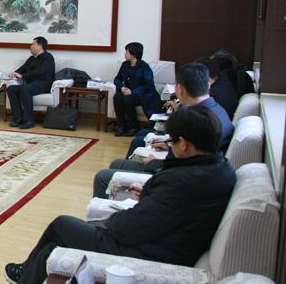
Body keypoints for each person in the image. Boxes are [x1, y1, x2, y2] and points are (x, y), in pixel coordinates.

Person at [0, 104, 235, 284]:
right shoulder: (220, 168)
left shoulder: (181, 183)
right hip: (162, 243)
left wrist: (118, 217)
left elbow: (126, 229)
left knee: (61, 226)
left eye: (172, 142)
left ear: (185, 144)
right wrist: (150, 197)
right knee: (52, 246)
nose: (170, 147)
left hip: (145, 254)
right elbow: (166, 211)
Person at [92, 61, 235, 197]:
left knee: (103, 176)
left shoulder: (196, 118)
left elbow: (183, 162)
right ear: (208, 84)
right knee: (124, 156)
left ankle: (121, 192)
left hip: (172, 177)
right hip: (187, 172)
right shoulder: (216, 110)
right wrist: (168, 145)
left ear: (179, 89)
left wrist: (154, 163)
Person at [112, 42, 161, 136]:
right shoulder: (125, 64)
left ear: (134, 54)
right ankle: (121, 126)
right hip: (127, 91)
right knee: (117, 97)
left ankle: (134, 127)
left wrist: (132, 91)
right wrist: (121, 87)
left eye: (127, 52)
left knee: (128, 99)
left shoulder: (144, 67)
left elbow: (148, 85)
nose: (125, 54)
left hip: (143, 93)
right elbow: (117, 79)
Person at [7, 36, 55, 129]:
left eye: (33, 44)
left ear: (40, 46)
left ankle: (29, 120)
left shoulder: (48, 57)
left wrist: (23, 76)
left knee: (25, 88)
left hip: (43, 84)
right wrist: (14, 74)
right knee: (11, 89)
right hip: (31, 85)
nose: (30, 46)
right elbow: (22, 69)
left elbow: (40, 72)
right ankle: (18, 118)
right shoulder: (32, 58)